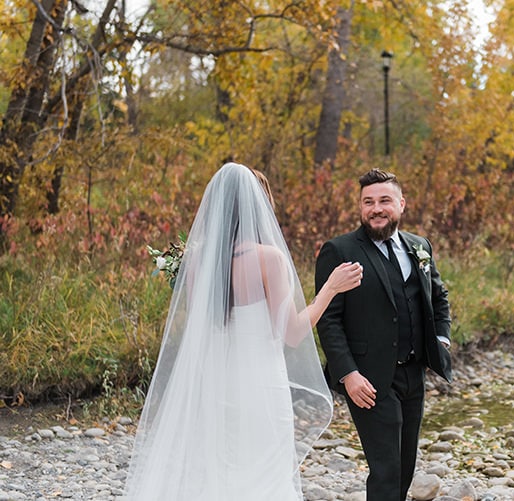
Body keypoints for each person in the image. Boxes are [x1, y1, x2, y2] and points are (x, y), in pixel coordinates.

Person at [125, 163, 364, 500]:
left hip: (217, 385)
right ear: (256, 207)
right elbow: (292, 333)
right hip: (261, 387)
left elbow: (203, 328)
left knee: (222, 470)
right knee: (264, 473)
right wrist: (330, 288)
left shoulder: (197, 263)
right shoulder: (269, 259)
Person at [316, 168, 453, 501]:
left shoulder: (419, 247)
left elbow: (439, 296)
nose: (375, 208)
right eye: (368, 202)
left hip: (414, 373)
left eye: (384, 201)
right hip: (368, 379)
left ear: (401, 204)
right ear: (360, 207)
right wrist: (348, 374)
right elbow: (328, 319)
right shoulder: (339, 250)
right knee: (386, 468)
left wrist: (441, 341)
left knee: (406, 464)